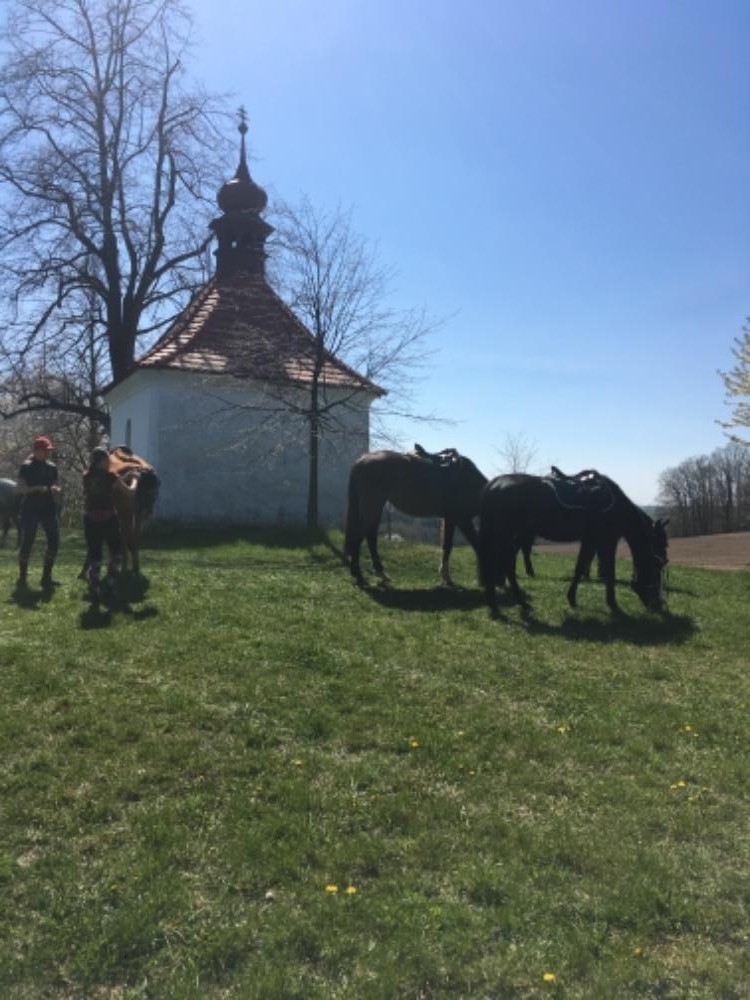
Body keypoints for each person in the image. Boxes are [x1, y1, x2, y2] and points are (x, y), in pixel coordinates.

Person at [82, 446, 139, 600]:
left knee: (96, 556)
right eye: (107, 459)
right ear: (102, 461)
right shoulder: (110, 475)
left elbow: (106, 483)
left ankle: (95, 586)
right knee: (117, 553)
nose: (110, 462)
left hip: (91, 519)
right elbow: (129, 491)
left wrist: (123, 476)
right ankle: (111, 583)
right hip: (108, 519)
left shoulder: (86, 475)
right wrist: (134, 479)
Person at [16, 435, 62, 589]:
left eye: (49, 450)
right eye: (45, 450)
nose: (48, 453)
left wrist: (56, 489)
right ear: (37, 451)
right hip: (30, 509)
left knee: (54, 541)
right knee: (27, 541)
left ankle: (46, 577)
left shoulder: (52, 467)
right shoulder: (26, 467)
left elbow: (55, 484)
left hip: (48, 508)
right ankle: (22, 577)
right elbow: (20, 489)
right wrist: (36, 488)